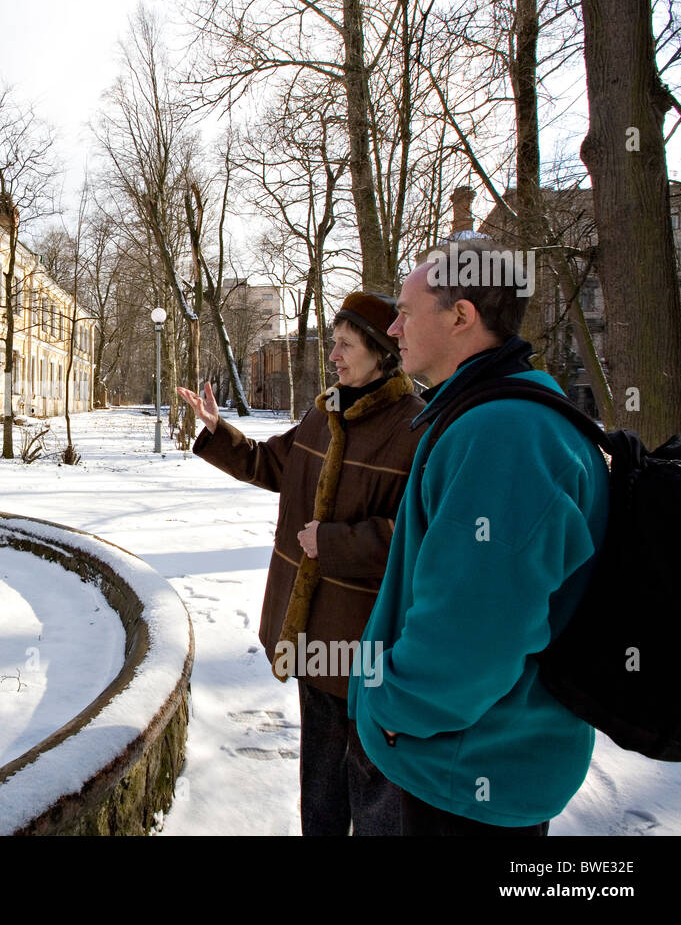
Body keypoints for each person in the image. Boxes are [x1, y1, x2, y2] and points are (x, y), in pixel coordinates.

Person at [348, 239, 610, 835]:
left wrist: (395, 707)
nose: (393, 328)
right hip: (469, 759)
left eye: (407, 312)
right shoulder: (498, 413)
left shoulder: (503, 433)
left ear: (461, 316)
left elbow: (476, 626)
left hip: (459, 772)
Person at [179, 292, 424, 835]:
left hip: (370, 649)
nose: (333, 355)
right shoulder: (325, 412)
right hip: (312, 640)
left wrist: (335, 543)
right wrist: (219, 431)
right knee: (319, 791)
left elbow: (420, 538)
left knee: (378, 794)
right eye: (332, 342)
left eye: (345, 345)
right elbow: (272, 464)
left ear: (383, 353)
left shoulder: (417, 429)